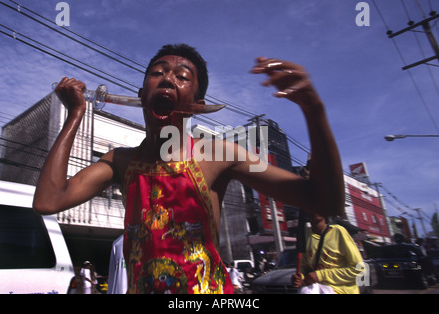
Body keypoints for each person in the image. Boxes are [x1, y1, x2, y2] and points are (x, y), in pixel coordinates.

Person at [33, 43, 344, 294]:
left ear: (197, 103)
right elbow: (48, 201)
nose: (168, 78)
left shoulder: (219, 154)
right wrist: (74, 115)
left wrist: (313, 110)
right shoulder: (120, 162)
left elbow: (325, 202)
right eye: (157, 73)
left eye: (181, 76)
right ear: (143, 95)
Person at [291, 213, 363, 294]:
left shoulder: (338, 232)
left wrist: (321, 275)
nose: (314, 210)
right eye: (310, 207)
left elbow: (359, 268)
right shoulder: (305, 235)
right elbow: (303, 267)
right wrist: (301, 278)